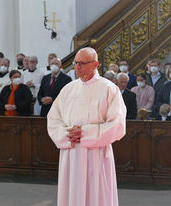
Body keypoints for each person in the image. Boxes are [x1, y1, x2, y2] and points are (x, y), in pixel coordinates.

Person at [47, 47, 126, 206]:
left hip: (96, 154)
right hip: (71, 153)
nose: (77, 67)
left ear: (95, 64)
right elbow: (53, 119)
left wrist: (85, 133)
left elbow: (117, 124)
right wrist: (67, 134)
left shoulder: (109, 89)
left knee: (96, 195)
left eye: (82, 63)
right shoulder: (68, 89)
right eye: (76, 63)